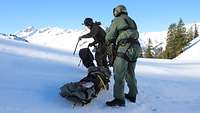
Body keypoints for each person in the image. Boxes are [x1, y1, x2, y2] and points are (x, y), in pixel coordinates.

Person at [105, 5, 142, 106]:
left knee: (119, 74)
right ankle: (132, 95)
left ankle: (119, 99)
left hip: (125, 48)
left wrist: (108, 38)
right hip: (136, 47)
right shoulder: (131, 20)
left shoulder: (117, 20)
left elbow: (109, 36)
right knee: (130, 73)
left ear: (117, 11)